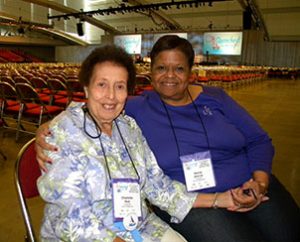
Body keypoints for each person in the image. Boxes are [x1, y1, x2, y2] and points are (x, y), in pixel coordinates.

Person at [36, 36, 300, 242]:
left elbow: (156, 185)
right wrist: (50, 126)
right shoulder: (75, 128)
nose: (110, 96)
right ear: (86, 87)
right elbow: (68, 217)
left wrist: (226, 197)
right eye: (101, 85)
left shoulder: (129, 127)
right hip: (88, 232)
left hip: (140, 222)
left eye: (119, 87)